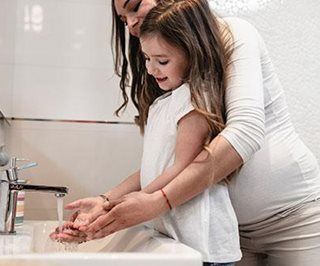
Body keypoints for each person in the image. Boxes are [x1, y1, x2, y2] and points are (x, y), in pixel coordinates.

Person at [51, 0, 320, 265]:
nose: (131, 23)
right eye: (123, 19)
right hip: (233, 233)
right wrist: (106, 200)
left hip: (295, 219)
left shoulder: (234, 34)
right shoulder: (175, 81)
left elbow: (246, 131)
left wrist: (157, 201)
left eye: (134, 6)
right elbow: (166, 163)